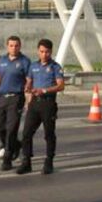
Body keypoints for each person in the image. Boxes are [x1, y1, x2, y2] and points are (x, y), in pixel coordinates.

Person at [16, 39, 65, 175]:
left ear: (51, 52)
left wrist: (44, 90)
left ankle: (49, 161)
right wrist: (28, 89)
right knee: (26, 133)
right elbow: (29, 82)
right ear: (38, 51)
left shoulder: (55, 67)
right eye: (42, 51)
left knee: (48, 134)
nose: (44, 54)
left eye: (47, 52)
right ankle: (27, 161)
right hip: (34, 103)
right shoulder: (33, 66)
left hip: (48, 103)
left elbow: (61, 85)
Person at [0, 36, 31, 171]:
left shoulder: (24, 61)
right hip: (2, 98)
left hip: (16, 98)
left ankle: (8, 158)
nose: (14, 48)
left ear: (20, 46)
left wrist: (28, 99)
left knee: (12, 129)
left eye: (16, 45)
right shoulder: (3, 60)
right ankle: (16, 145)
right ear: (7, 46)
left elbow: (29, 80)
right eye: (11, 45)